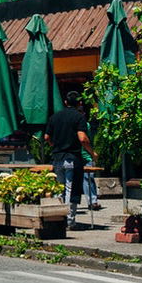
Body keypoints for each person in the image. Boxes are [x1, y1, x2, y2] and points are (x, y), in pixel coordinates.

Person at [45, 91, 98, 226]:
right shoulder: (79, 117)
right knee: (71, 189)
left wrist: (55, 145)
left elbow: (46, 137)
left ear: (65, 102)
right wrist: (92, 153)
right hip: (72, 157)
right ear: (79, 103)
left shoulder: (54, 117)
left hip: (57, 157)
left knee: (59, 189)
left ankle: (57, 218)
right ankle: (69, 220)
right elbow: (82, 138)